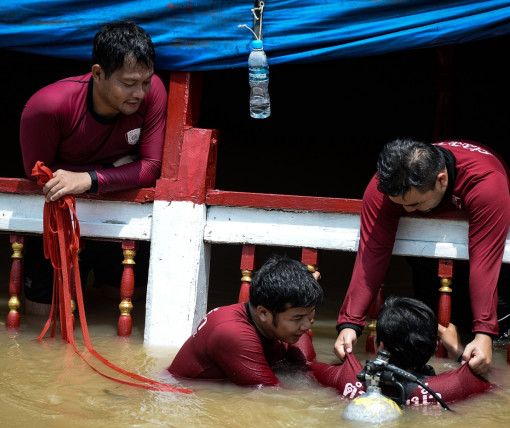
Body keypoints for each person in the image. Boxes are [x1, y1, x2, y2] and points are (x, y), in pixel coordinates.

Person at [334, 138, 510, 375]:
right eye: (400, 205)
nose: (406, 211)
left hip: (499, 249)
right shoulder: (386, 184)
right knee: (430, 321)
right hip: (430, 250)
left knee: (498, 337)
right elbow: (371, 252)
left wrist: (485, 334)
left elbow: (485, 260)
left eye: (414, 203)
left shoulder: (484, 182)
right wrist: (350, 323)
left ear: (441, 180)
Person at [19, 20, 167, 314]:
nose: (140, 92)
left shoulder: (154, 93)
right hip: (59, 226)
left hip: (120, 221)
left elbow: (151, 168)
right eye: (128, 84)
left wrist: (88, 177)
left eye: (145, 81)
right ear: (98, 73)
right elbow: (37, 174)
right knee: (41, 316)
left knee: (124, 308)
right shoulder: (49, 105)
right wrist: (114, 168)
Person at [167, 255, 323, 386]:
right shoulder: (232, 332)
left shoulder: (278, 316)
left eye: (310, 315)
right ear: (263, 313)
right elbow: (271, 395)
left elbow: (308, 368)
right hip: (183, 393)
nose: (306, 325)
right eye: (298, 318)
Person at [311, 296, 492, 406]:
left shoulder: (348, 379)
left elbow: (305, 365)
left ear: (381, 347)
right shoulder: (453, 386)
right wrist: (458, 351)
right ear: (435, 347)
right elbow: (494, 378)